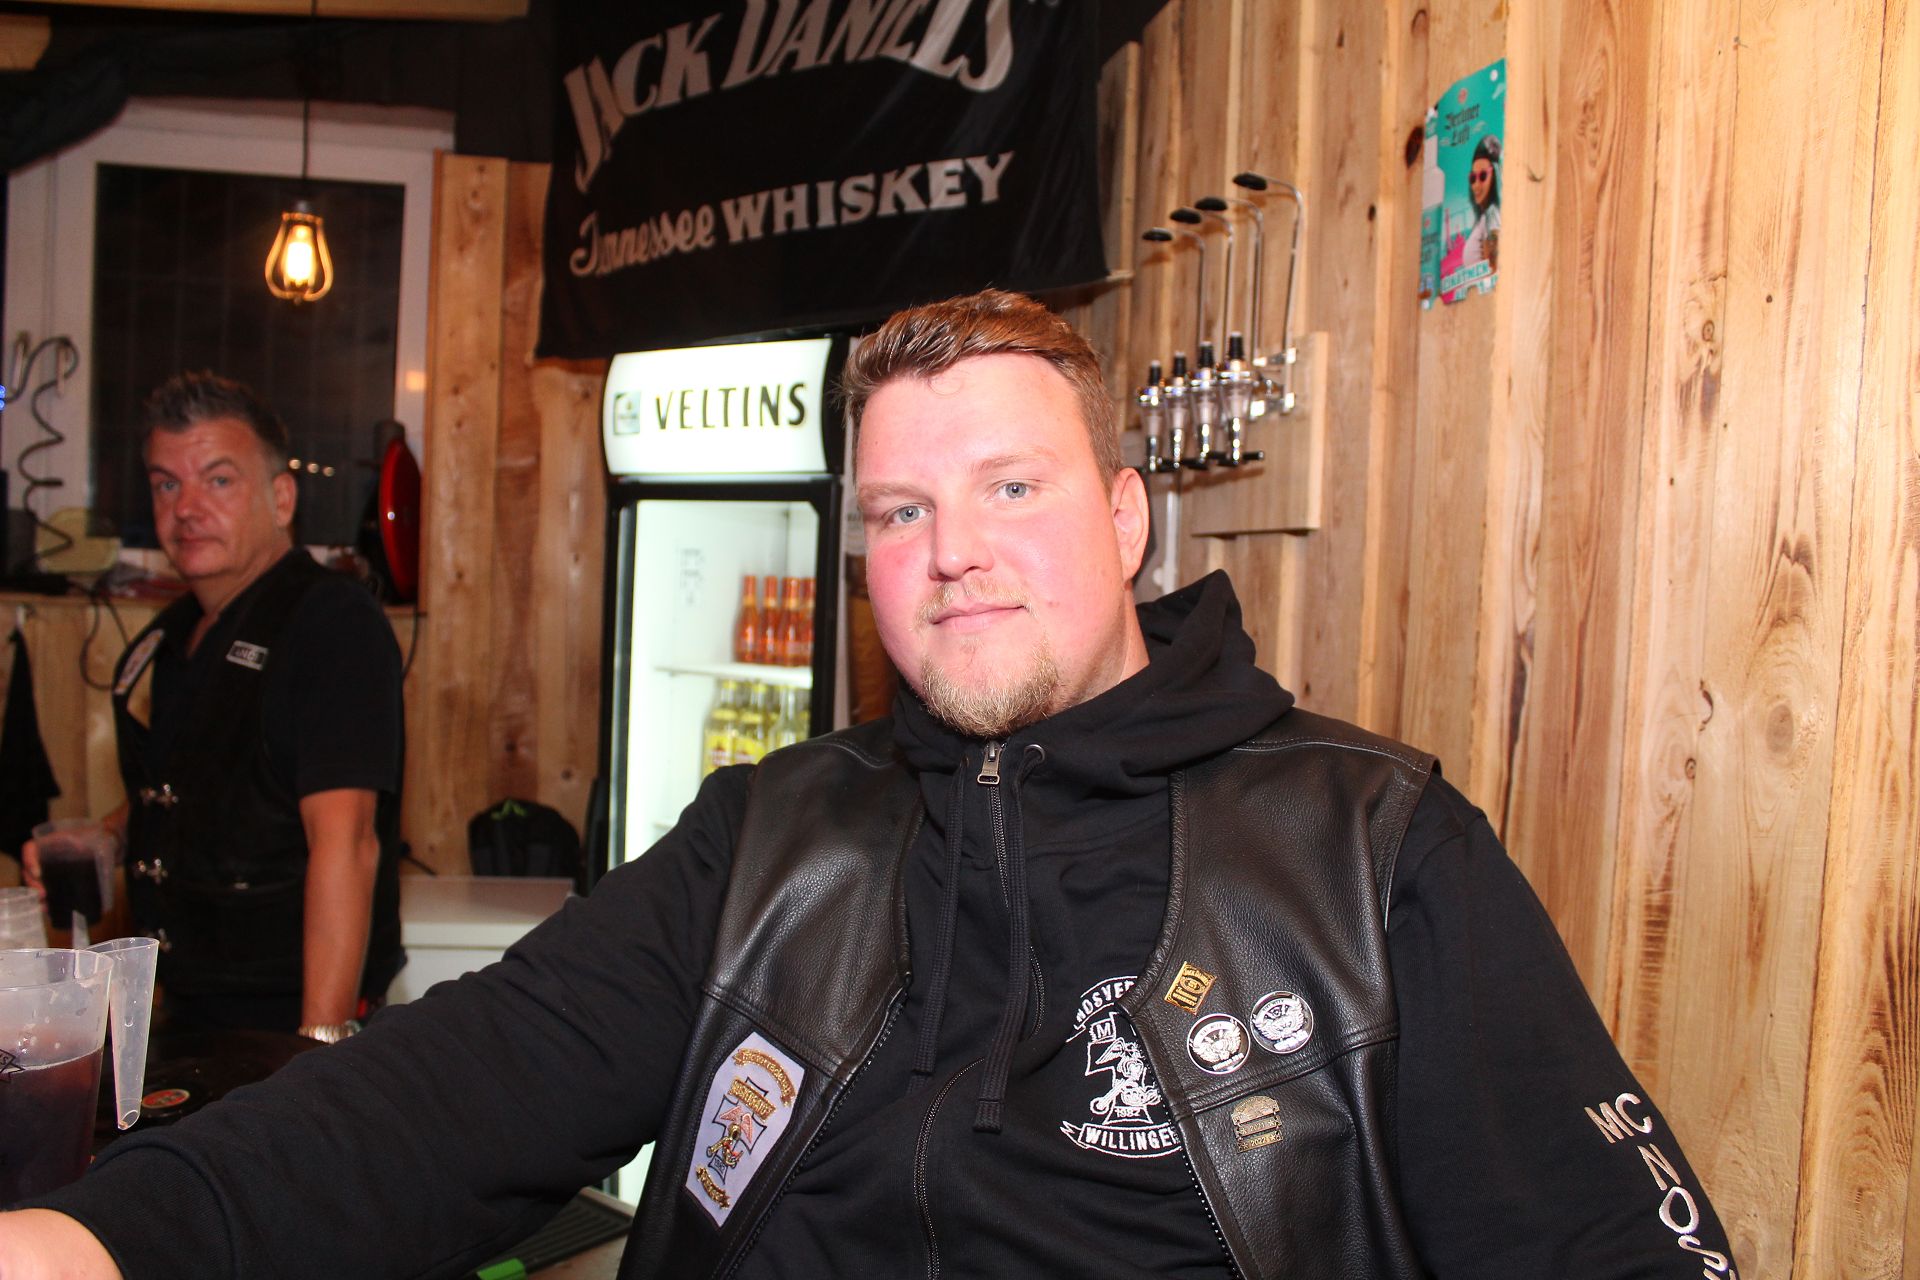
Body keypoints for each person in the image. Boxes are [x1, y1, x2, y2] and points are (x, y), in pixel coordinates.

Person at [0, 294, 1736, 1278]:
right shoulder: (776, 839)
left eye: (1011, 490)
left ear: (1127, 516)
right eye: (901, 512)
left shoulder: (1374, 851)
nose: (951, 551)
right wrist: (98, 1243)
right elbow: (444, 1097)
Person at [24, 372, 405, 1041]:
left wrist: (314, 1057)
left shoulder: (331, 620)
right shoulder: (174, 634)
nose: (186, 508)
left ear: (281, 497)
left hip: (285, 1019)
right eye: (166, 484)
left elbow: (347, 842)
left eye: (218, 480)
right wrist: (109, 837)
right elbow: (205, 785)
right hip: (191, 1012)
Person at [1462, 133, 1502, 273]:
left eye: (1483, 176)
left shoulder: (1492, 215)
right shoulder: (1485, 218)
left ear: (1495, 176)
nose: (1476, 185)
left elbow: (1493, 272)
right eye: (1473, 178)